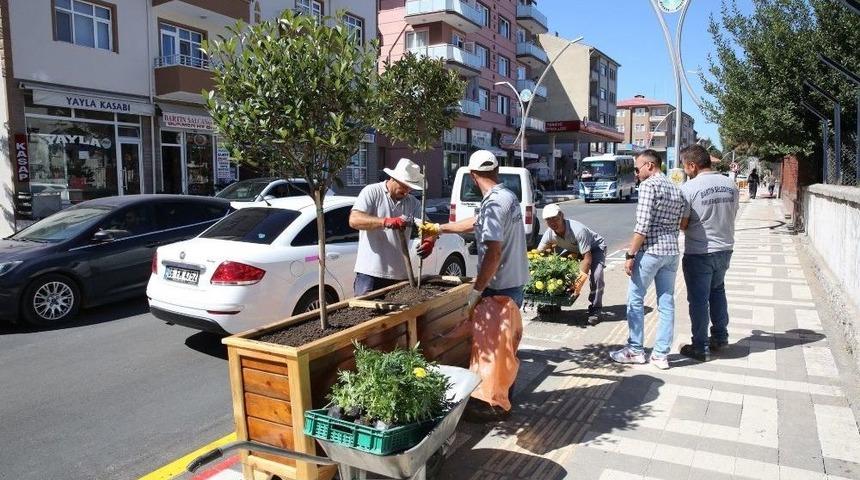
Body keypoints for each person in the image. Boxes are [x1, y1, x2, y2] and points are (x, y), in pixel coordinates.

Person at [419, 149, 529, 421]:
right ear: (496, 172)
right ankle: (501, 401)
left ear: (472, 175)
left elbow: (492, 252)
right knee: (504, 349)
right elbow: (475, 222)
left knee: (493, 353)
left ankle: (494, 407)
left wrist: (478, 290)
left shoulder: (493, 203)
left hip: (499, 290)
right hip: (513, 286)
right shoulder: (506, 196)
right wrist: (439, 229)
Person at [610, 149, 684, 370]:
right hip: (671, 251)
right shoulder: (675, 187)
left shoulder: (648, 186)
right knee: (667, 303)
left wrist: (631, 254)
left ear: (650, 166)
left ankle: (635, 350)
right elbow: (681, 222)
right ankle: (661, 355)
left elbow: (641, 226)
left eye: (637, 168)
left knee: (635, 300)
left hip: (650, 251)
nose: (636, 172)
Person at [678, 145, 739, 361]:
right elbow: (733, 213)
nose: (685, 170)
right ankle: (720, 338)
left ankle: (700, 347)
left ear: (692, 165)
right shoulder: (731, 184)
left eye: (685, 166)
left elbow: (683, 224)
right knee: (718, 291)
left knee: (698, 300)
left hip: (699, 252)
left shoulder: (689, 189)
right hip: (725, 249)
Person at [348, 158, 430, 295]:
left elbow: (428, 227)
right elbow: (354, 220)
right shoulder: (372, 192)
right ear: (393, 178)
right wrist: (385, 221)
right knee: (368, 315)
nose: (406, 191)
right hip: (370, 274)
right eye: (404, 186)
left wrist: (429, 241)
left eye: (410, 188)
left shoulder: (413, 203)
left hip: (399, 275)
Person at [537, 203, 608, 325]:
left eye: (555, 218)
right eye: (548, 220)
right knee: (556, 269)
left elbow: (587, 259)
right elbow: (538, 255)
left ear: (562, 216)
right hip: (574, 249)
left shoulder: (578, 230)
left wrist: (577, 284)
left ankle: (596, 309)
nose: (552, 222)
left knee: (596, 275)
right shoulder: (549, 234)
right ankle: (554, 302)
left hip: (595, 249)